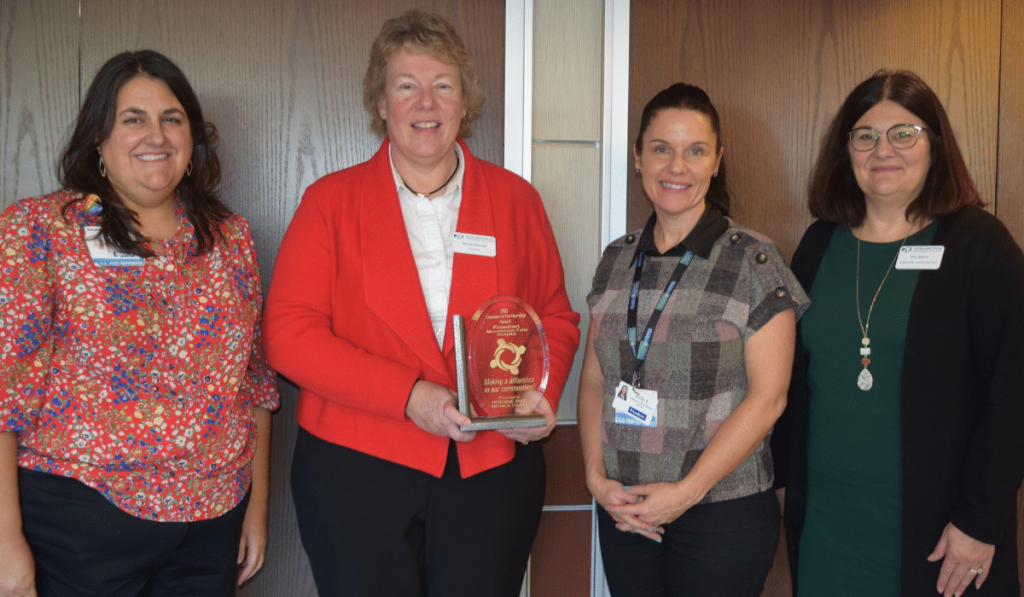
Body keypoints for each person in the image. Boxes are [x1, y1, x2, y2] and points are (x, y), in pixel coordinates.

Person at [262, 9, 580, 597]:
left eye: (443, 86)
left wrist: (542, 392)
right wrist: (407, 395)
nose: (426, 103)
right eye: (406, 86)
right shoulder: (329, 202)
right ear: (381, 102)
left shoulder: (516, 200)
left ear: (466, 101)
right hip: (357, 468)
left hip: (489, 469)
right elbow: (288, 335)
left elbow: (554, 318)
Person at [0, 50, 279, 597]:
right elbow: (3, 389)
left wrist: (257, 507)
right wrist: (6, 541)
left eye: (172, 118)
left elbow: (255, 383)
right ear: (98, 138)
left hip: (213, 519)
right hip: (81, 517)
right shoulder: (39, 230)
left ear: (192, 139)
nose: (157, 135)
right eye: (134, 119)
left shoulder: (229, 238)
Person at [771, 70, 1024, 596]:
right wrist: (781, 482)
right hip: (828, 524)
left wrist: (981, 521)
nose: (882, 150)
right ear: (846, 151)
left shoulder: (979, 245)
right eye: (865, 135)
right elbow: (790, 381)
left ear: (935, 145)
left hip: (942, 535)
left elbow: (1014, 393)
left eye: (903, 133)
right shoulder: (818, 245)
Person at [577, 82, 809, 597]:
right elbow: (594, 381)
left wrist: (686, 492)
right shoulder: (617, 258)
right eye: (661, 148)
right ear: (638, 158)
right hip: (626, 509)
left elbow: (769, 398)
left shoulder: (753, 259)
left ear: (717, 161)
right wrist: (595, 477)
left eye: (696, 151)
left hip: (720, 511)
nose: (676, 166)